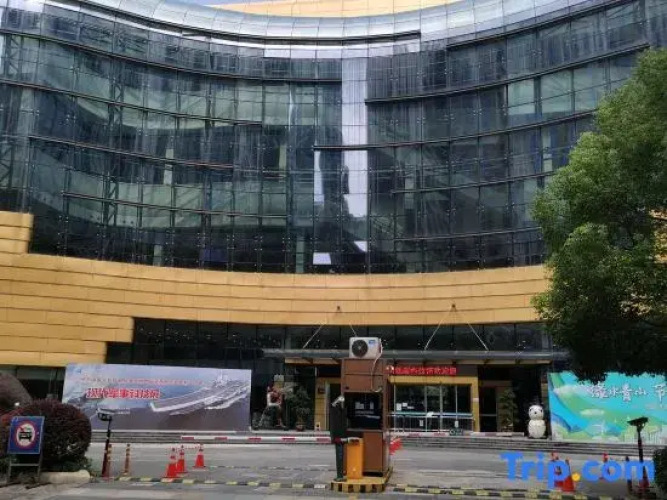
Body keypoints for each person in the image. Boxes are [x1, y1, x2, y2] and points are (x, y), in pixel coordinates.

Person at [329, 395, 348, 481]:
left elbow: (332, 406)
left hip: (338, 437)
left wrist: (337, 401)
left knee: (339, 456)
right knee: (340, 456)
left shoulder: (337, 412)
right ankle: (340, 475)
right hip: (340, 436)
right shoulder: (341, 412)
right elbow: (333, 405)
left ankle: (340, 476)